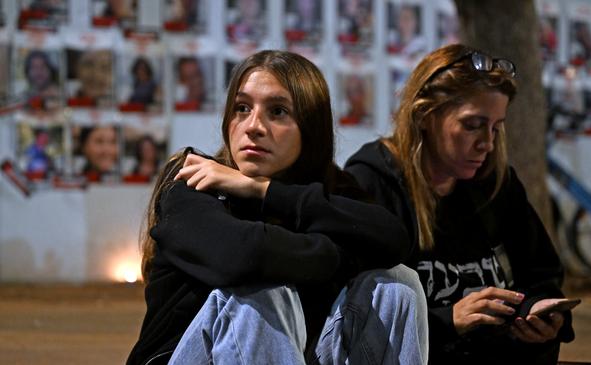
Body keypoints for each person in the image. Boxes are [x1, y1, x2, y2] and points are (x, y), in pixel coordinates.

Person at [127, 50, 428, 365]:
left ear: (310, 128)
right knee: (261, 292)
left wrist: (263, 190)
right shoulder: (193, 181)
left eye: (278, 111)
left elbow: (396, 239)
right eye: (241, 108)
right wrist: (343, 254)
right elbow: (244, 256)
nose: (253, 126)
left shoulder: (326, 193)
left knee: (398, 285)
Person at [345, 44, 575, 364]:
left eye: (496, 127)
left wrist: (541, 314)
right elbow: (357, 319)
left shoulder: (495, 182)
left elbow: (542, 273)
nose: (487, 143)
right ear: (425, 115)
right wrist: (447, 321)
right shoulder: (373, 183)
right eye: (472, 125)